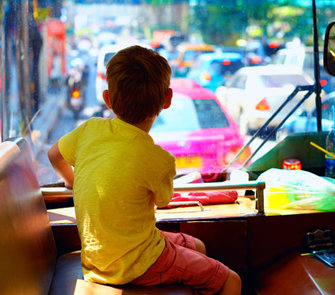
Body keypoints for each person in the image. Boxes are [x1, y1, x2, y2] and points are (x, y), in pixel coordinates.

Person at [48, 45, 241, 295]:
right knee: (231, 280)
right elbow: (162, 201)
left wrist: (73, 182)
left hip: (97, 263)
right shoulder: (159, 159)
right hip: (141, 264)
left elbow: (54, 155)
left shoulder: (89, 130)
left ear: (107, 98)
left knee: (198, 246)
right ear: (167, 99)